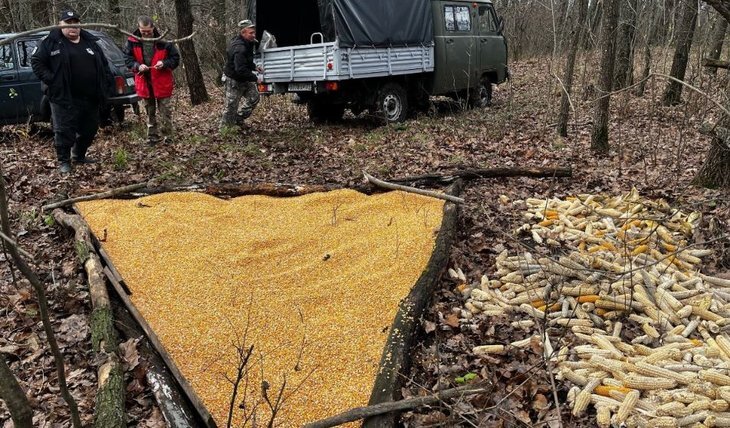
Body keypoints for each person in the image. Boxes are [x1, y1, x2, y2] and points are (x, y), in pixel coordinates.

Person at [31, 9, 113, 174]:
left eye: (76, 24)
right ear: (60, 25)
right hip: (63, 97)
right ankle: (64, 161)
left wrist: (107, 82)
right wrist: (53, 80)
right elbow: (37, 62)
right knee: (64, 130)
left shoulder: (90, 42)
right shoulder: (50, 42)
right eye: (68, 24)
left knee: (89, 129)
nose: (73, 27)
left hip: (90, 97)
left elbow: (104, 65)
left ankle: (79, 155)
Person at [124, 16, 180, 144]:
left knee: (165, 112)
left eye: (148, 31)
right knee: (150, 112)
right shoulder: (132, 41)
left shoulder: (163, 41)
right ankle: (152, 137)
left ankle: (168, 137)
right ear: (139, 28)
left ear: (153, 28)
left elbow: (175, 59)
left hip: (162, 82)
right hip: (144, 82)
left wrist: (164, 63)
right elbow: (127, 59)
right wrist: (138, 66)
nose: (146, 34)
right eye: (143, 31)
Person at [220, 19, 261, 129]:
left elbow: (246, 61)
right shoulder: (239, 47)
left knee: (254, 97)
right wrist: (255, 78)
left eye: (254, 32)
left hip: (243, 77)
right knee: (231, 107)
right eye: (251, 33)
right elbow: (240, 69)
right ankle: (225, 130)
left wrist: (254, 67)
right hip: (232, 79)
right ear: (243, 32)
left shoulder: (247, 43)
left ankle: (238, 119)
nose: (253, 35)